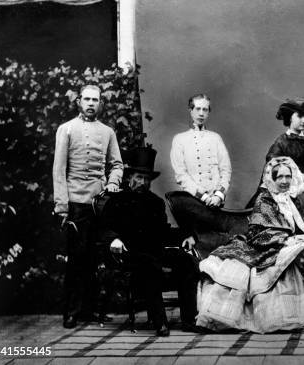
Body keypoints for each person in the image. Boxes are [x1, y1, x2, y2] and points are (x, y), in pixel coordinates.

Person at [196, 157, 304, 333]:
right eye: (279, 177)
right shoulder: (264, 199)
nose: (284, 181)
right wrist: (286, 240)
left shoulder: (293, 200)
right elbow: (259, 232)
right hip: (266, 245)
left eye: (288, 176)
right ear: (272, 178)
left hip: (289, 242)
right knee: (286, 259)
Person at [101, 147, 200, 336]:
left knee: (186, 261)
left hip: (154, 250)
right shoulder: (116, 201)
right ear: (129, 177)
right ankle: (160, 322)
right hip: (129, 253)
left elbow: (164, 232)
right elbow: (105, 228)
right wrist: (113, 239)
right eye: (139, 177)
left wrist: (187, 235)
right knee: (149, 266)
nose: (143, 182)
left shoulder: (155, 202)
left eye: (147, 179)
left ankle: (188, 320)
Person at [52, 84, 123, 329]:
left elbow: (117, 164)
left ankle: (90, 311)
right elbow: (59, 170)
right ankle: (71, 312)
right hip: (75, 204)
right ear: (79, 102)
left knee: (95, 259)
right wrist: (62, 207)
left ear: (101, 103)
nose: (91, 103)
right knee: (76, 259)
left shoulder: (107, 132)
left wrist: (113, 182)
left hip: (99, 204)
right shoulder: (66, 129)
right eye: (87, 99)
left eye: (95, 100)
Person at [248, 97, 304, 230]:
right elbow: (272, 171)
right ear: (289, 117)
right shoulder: (281, 143)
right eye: (300, 116)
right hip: (289, 192)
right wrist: (301, 176)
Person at [170, 93, 232, 208]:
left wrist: (218, 196)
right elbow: (181, 175)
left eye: (205, 109)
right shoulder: (179, 139)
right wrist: (203, 197)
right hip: (193, 201)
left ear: (208, 112)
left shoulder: (216, 138)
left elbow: (226, 170)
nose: (201, 113)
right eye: (198, 109)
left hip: (216, 202)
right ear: (191, 110)